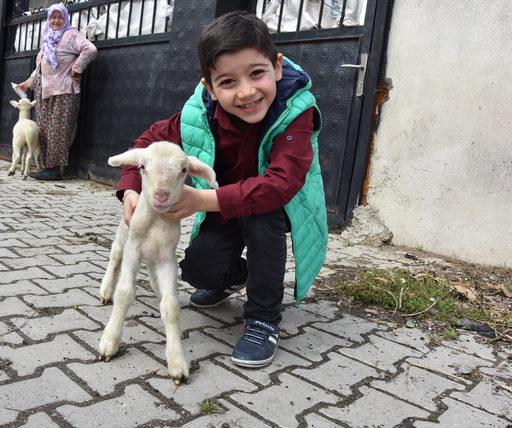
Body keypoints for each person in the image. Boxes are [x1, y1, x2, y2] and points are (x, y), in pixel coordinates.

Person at [116, 11, 328, 368]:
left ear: (276, 67)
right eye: (228, 82)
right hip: (223, 208)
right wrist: (131, 188)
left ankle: (263, 317)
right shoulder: (199, 113)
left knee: (262, 220)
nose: (246, 92)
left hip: (270, 206)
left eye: (256, 73)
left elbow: (280, 185)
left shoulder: (297, 111)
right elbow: (149, 141)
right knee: (198, 269)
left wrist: (201, 199)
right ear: (210, 87)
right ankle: (235, 278)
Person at [17, 3, 97, 180]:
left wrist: (77, 69)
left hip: (64, 91)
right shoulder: (48, 38)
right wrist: (28, 83)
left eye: (60, 17)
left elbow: (90, 49)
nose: (56, 20)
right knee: (45, 131)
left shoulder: (71, 35)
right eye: (52, 17)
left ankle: (54, 170)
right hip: (44, 92)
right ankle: (48, 167)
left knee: (58, 131)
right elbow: (40, 66)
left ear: (65, 18)